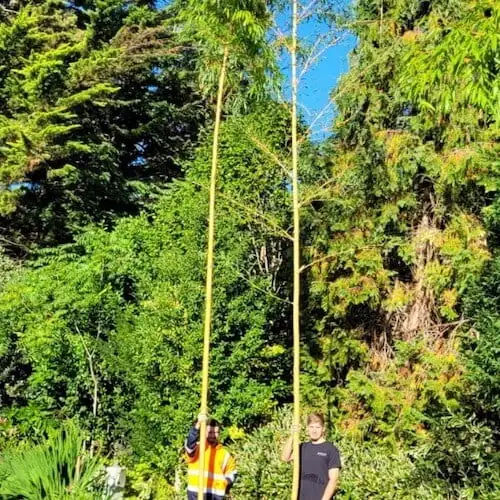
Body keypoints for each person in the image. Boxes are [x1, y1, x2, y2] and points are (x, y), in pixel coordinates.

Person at [281, 412, 341, 500]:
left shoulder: (330, 449)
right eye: (311, 427)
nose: (314, 430)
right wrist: (292, 436)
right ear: (307, 428)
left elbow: (333, 480)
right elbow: (284, 458)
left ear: (323, 429)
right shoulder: (302, 447)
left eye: (317, 427)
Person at [184, 414, 237, 500]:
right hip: (196, 494)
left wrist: (225, 482)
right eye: (210, 432)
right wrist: (197, 425)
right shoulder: (198, 448)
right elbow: (189, 447)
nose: (213, 435)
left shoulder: (224, 454)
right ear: (204, 432)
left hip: (215, 495)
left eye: (216, 432)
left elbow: (232, 472)